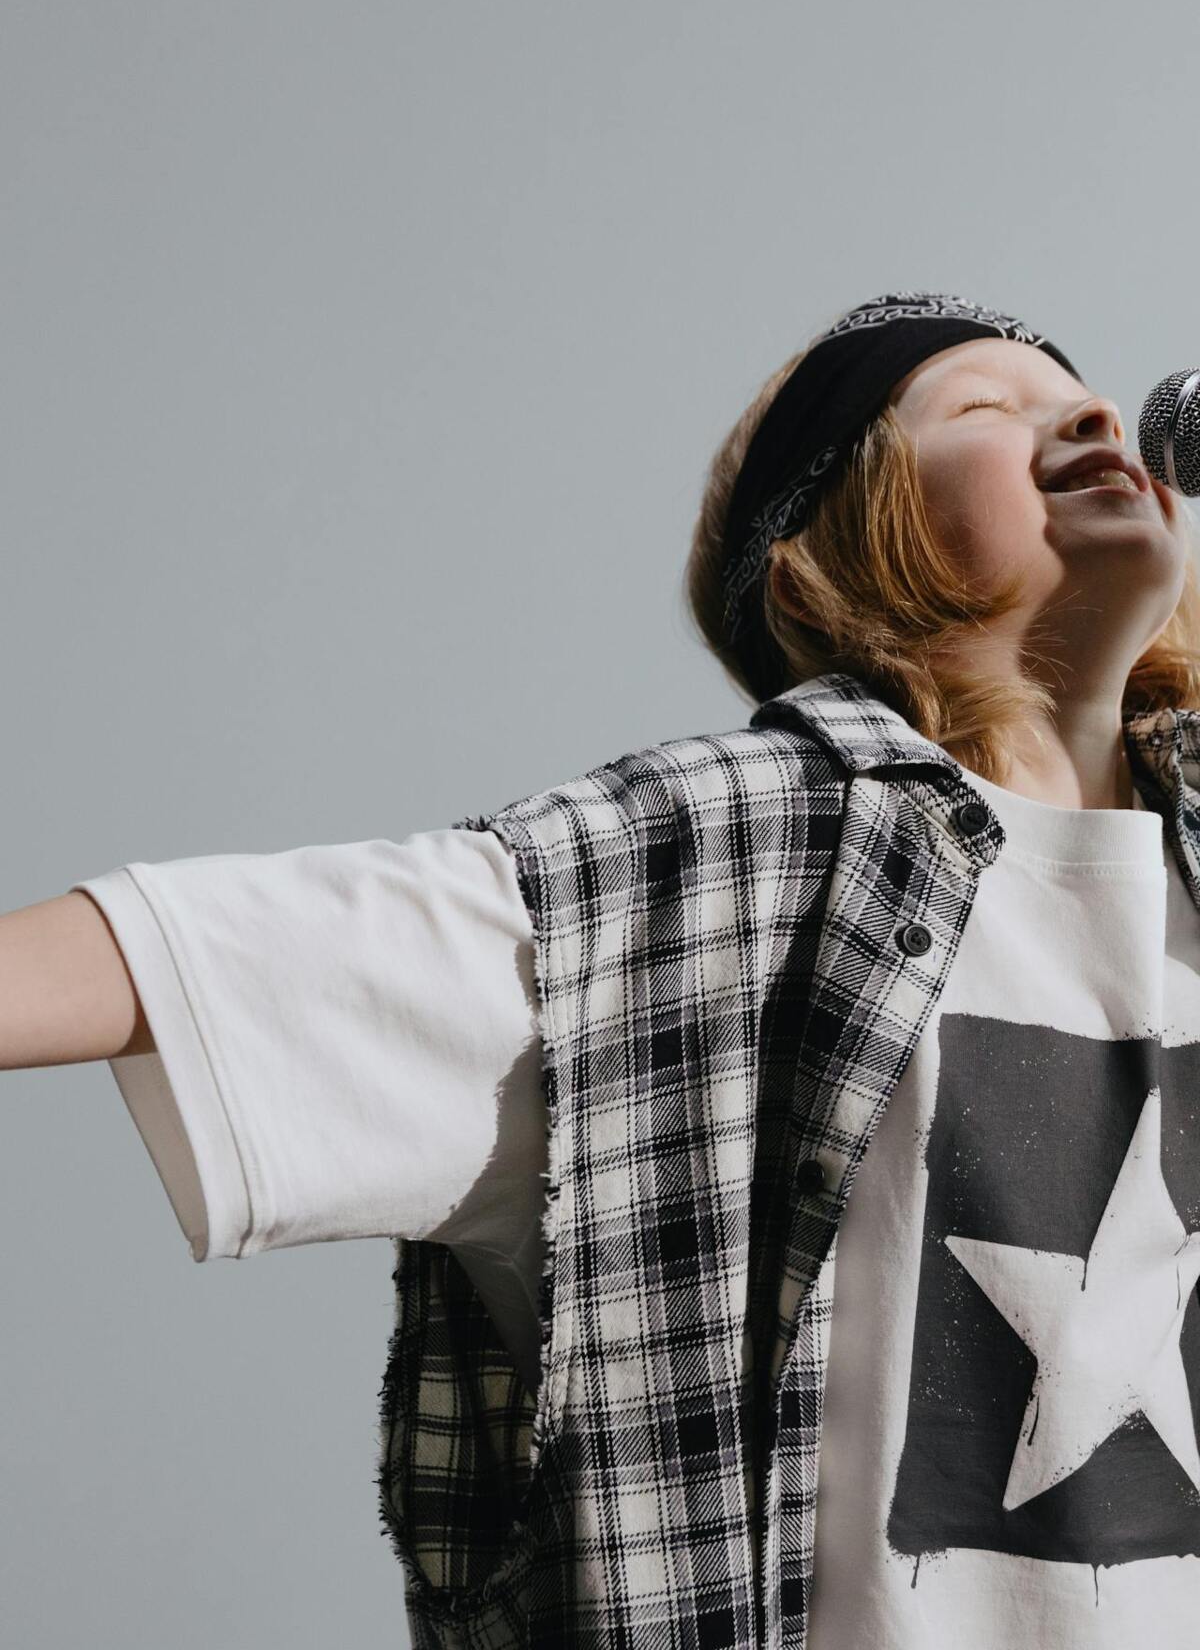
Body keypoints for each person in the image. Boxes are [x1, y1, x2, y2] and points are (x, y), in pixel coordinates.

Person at [6, 290, 1200, 1648]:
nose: (1094, 414)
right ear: (828, 545)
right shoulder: (691, 872)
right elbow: (191, 952)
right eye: (985, 407)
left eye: (1084, 396)